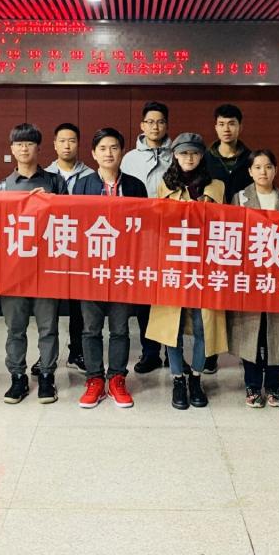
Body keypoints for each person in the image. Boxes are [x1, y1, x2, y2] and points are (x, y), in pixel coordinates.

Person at [147, 132, 229, 410]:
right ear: (175, 155)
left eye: (194, 152)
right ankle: (178, 379)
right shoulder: (164, 185)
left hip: (206, 265)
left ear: (202, 155)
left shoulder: (217, 186)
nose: (189, 158)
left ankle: (196, 377)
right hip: (173, 264)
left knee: (203, 324)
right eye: (183, 153)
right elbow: (157, 225)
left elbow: (227, 226)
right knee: (172, 325)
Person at [71, 128, 148, 409]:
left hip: (123, 269)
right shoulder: (82, 185)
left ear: (122, 152)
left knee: (119, 329)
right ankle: (94, 379)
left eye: (114, 147)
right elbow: (74, 224)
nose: (108, 153)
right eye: (102, 148)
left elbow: (145, 227)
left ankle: (116, 378)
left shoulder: (135, 186)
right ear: (93, 153)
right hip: (91, 269)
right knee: (91, 329)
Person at [0, 123, 68, 404]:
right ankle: (17, 377)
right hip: (13, 270)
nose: (24, 148)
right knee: (15, 329)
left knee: (48, 328)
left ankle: (47, 376)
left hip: (47, 268)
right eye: (19, 144)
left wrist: (49, 203)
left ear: (39, 148)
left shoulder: (55, 182)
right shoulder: (1, 186)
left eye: (29, 143)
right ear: (12, 149)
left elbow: (68, 221)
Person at [229, 150, 279, 408]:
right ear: (250, 171)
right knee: (252, 332)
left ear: (276, 170)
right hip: (250, 277)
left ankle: (273, 385)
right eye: (258, 167)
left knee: (276, 333)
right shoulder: (240, 198)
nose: (263, 171)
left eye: (268, 166)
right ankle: (252, 384)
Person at [120, 101, 173, 375]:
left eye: (160, 121)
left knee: (170, 294)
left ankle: (172, 352)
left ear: (166, 125)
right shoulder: (129, 158)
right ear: (142, 125)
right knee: (143, 296)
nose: (155, 126)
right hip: (139, 235)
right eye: (150, 122)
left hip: (170, 235)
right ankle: (150, 351)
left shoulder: (176, 155)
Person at [200, 103, 252, 374]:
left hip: (245, 236)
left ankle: (244, 350)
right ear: (215, 127)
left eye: (231, 123)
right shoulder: (205, 158)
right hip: (213, 237)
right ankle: (210, 354)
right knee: (213, 297)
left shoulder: (252, 159)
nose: (226, 129)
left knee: (241, 295)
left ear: (240, 126)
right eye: (221, 124)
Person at [44, 123, 95, 373]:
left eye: (72, 140)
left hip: (82, 248)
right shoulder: (44, 175)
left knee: (79, 305)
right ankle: (46, 355)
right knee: (48, 307)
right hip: (52, 247)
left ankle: (77, 351)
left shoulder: (91, 175)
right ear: (54, 145)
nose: (67, 145)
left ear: (79, 144)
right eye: (62, 141)